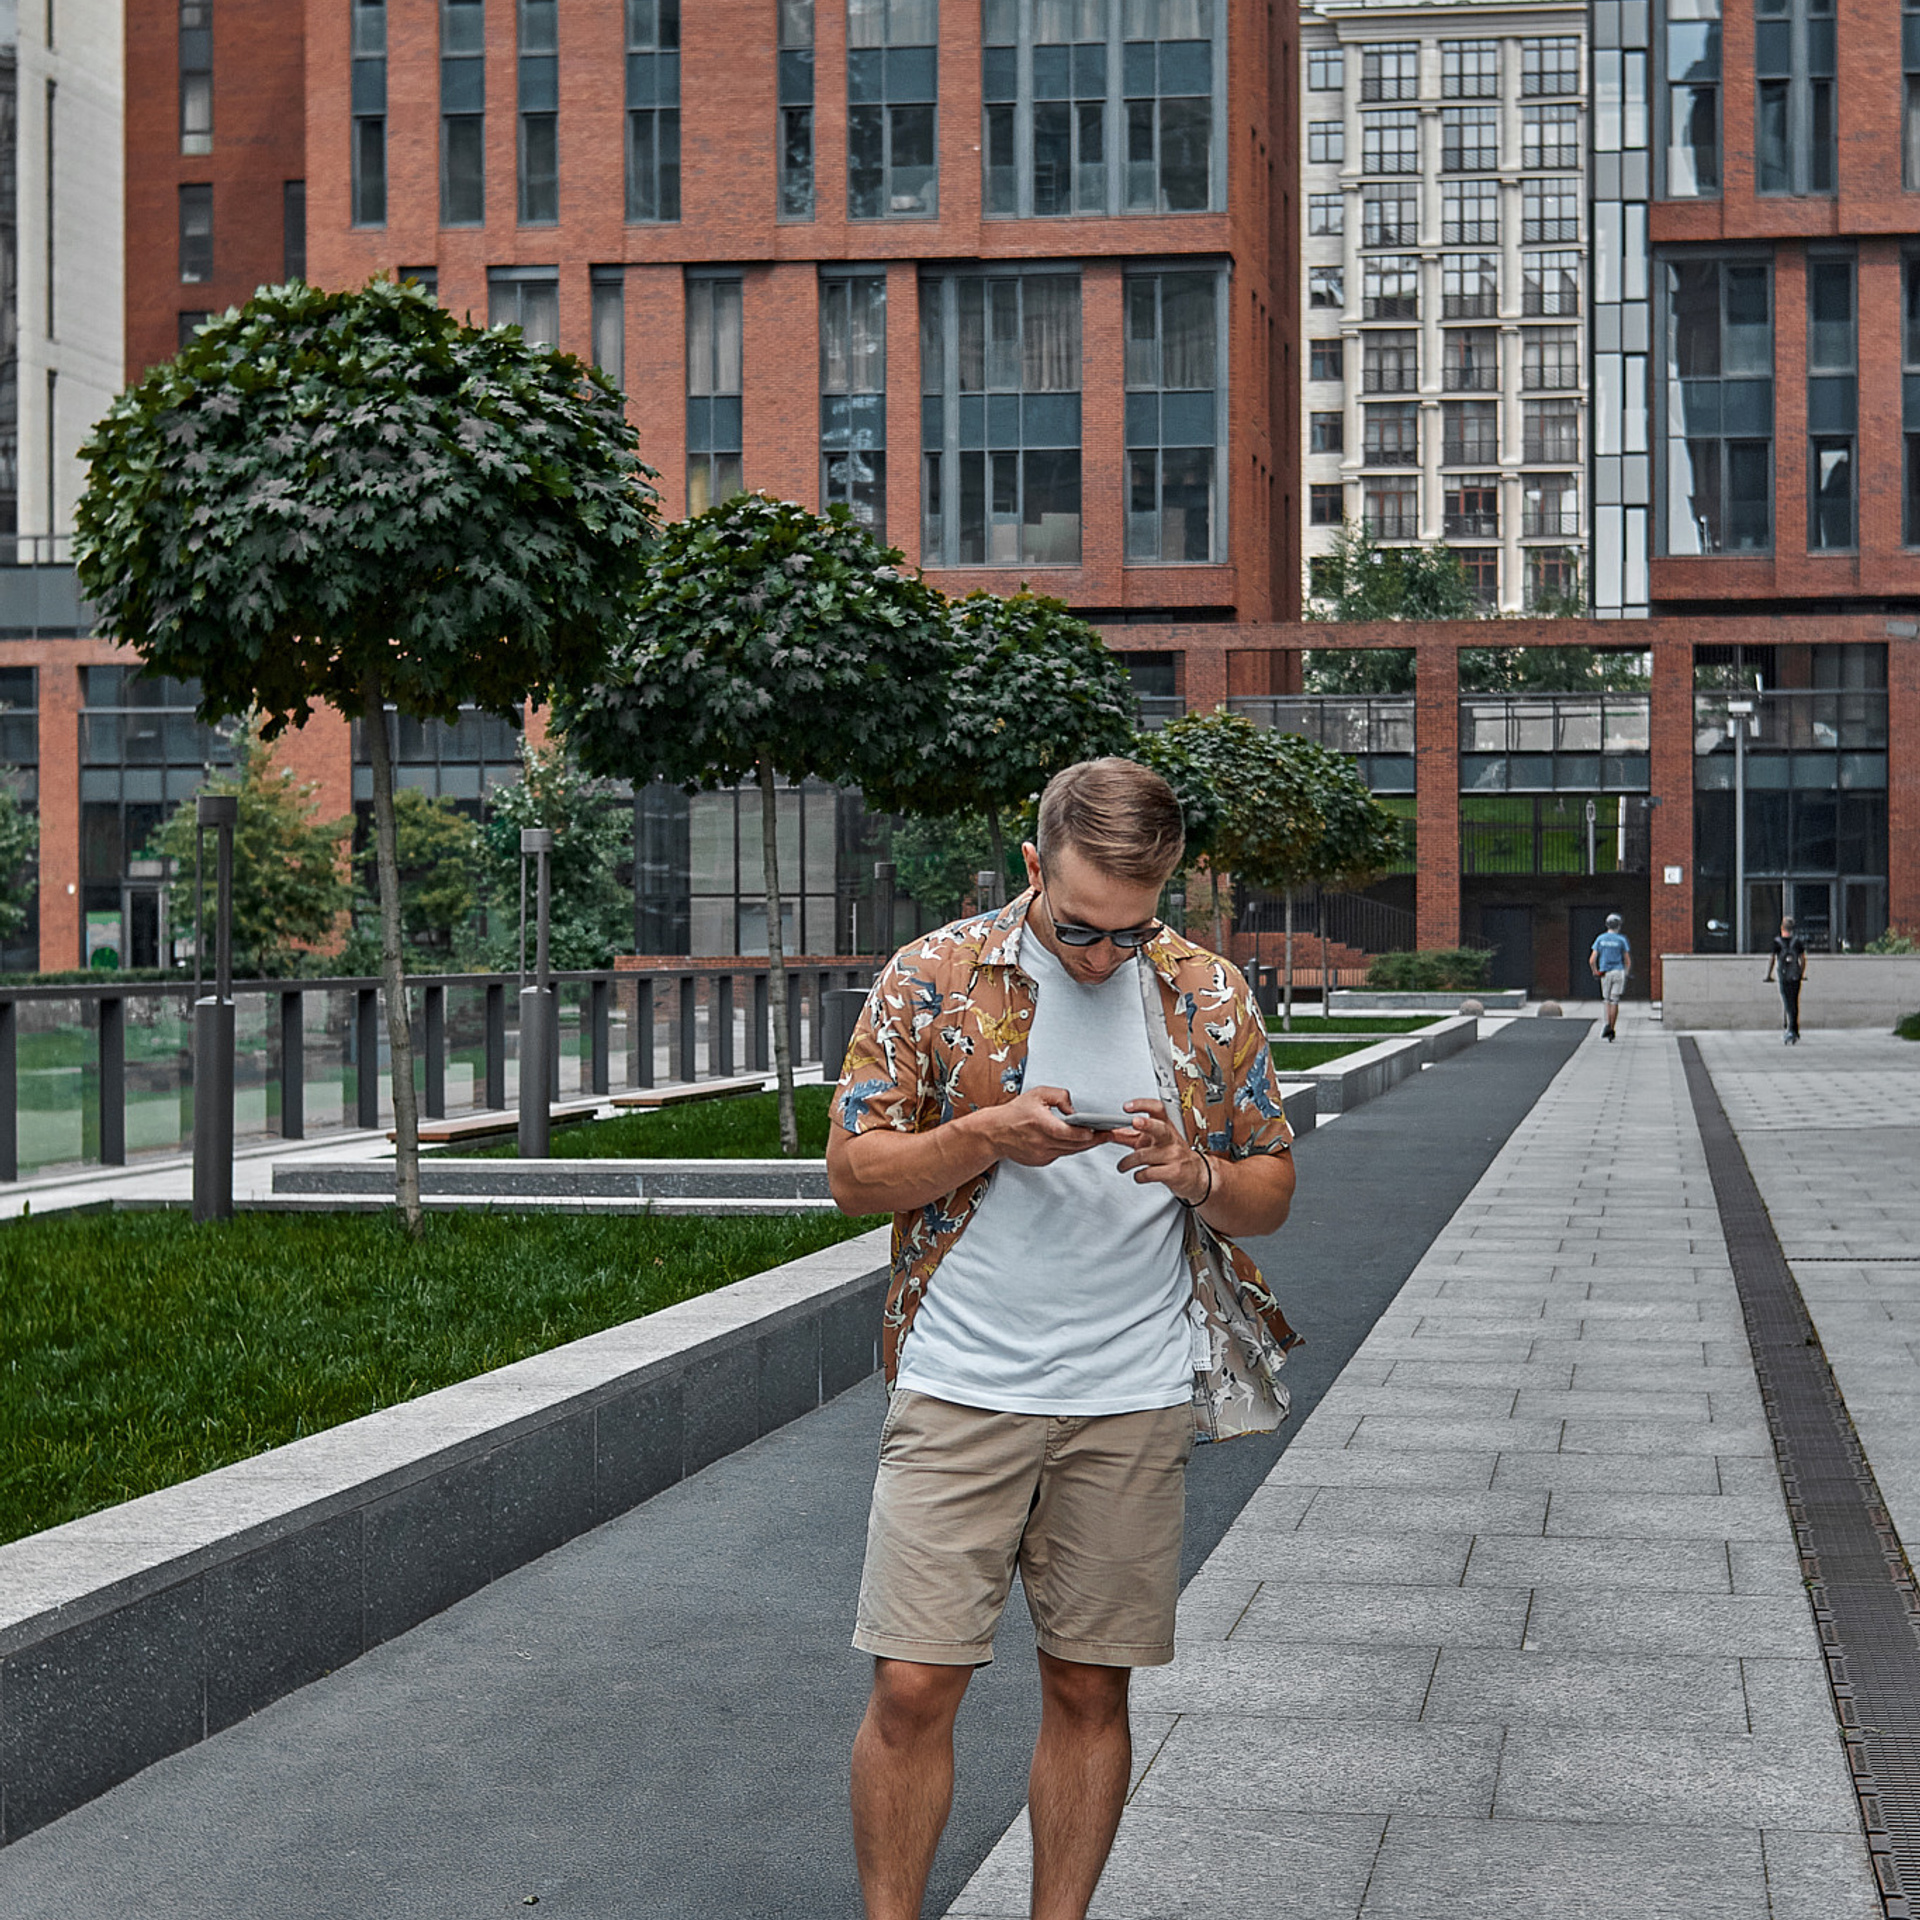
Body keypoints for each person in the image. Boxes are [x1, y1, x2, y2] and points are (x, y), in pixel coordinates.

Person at [826, 757, 1299, 1920]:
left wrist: (1198, 1173)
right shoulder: (934, 977)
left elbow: (1272, 1189)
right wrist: (983, 1134)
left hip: (1132, 1392)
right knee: (913, 1685)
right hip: (960, 1381)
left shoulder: (1207, 993)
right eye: (1080, 926)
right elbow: (852, 1173)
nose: (1101, 954)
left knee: (1091, 1689)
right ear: (1034, 866)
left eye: (1132, 931)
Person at [1765, 914, 1809, 1044]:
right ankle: (1795, 1029)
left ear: (1782, 927)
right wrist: (1801, 973)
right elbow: (1803, 959)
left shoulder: (1777, 942)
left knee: (1787, 1002)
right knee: (1794, 1001)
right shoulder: (1797, 942)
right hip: (1795, 976)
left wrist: (1769, 975)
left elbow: (1773, 959)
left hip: (1784, 976)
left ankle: (1790, 1029)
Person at [1589, 912, 1631, 1041]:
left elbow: (1592, 960)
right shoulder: (1622, 940)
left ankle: (1607, 1024)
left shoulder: (1600, 939)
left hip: (1605, 973)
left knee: (1606, 1000)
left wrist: (1595, 971)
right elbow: (1627, 960)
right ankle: (1612, 1028)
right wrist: (1626, 972)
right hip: (1618, 971)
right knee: (1615, 1000)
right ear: (1619, 925)